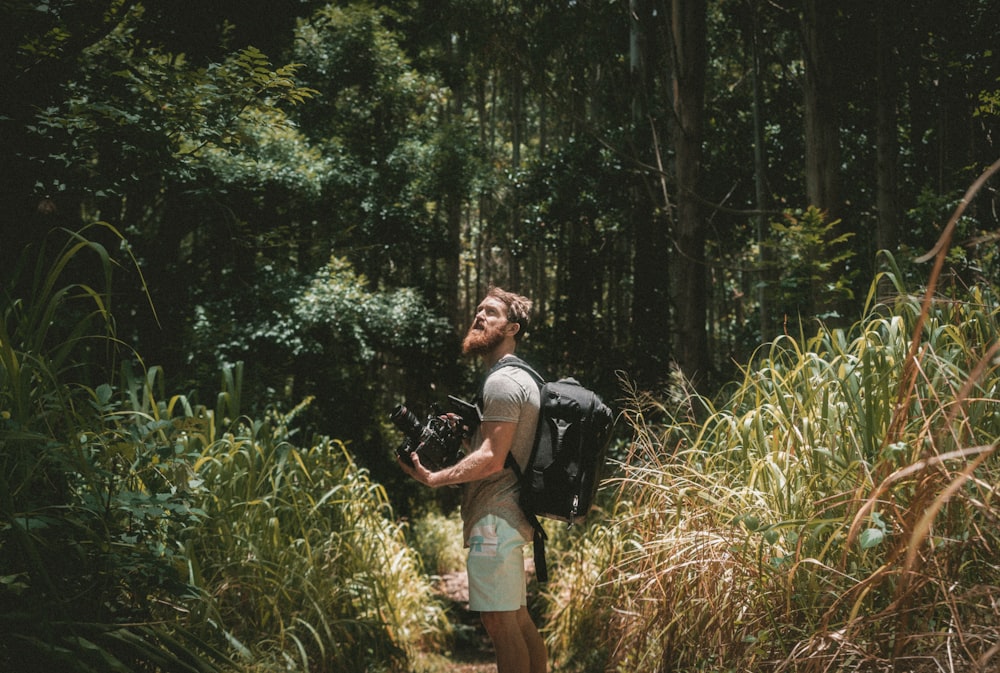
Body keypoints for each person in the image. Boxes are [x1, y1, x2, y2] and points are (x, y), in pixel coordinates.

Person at [399, 287, 547, 673]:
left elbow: (491, 459)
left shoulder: (502, 383)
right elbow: (502, 449)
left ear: (512, 327)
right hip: (509, 515)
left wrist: (434, 478)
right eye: (479, 310)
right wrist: (469, 432)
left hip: (495, 519)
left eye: (491, 312)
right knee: (516, 619)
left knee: (500, 623)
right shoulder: (520, 378)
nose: (479, 316)